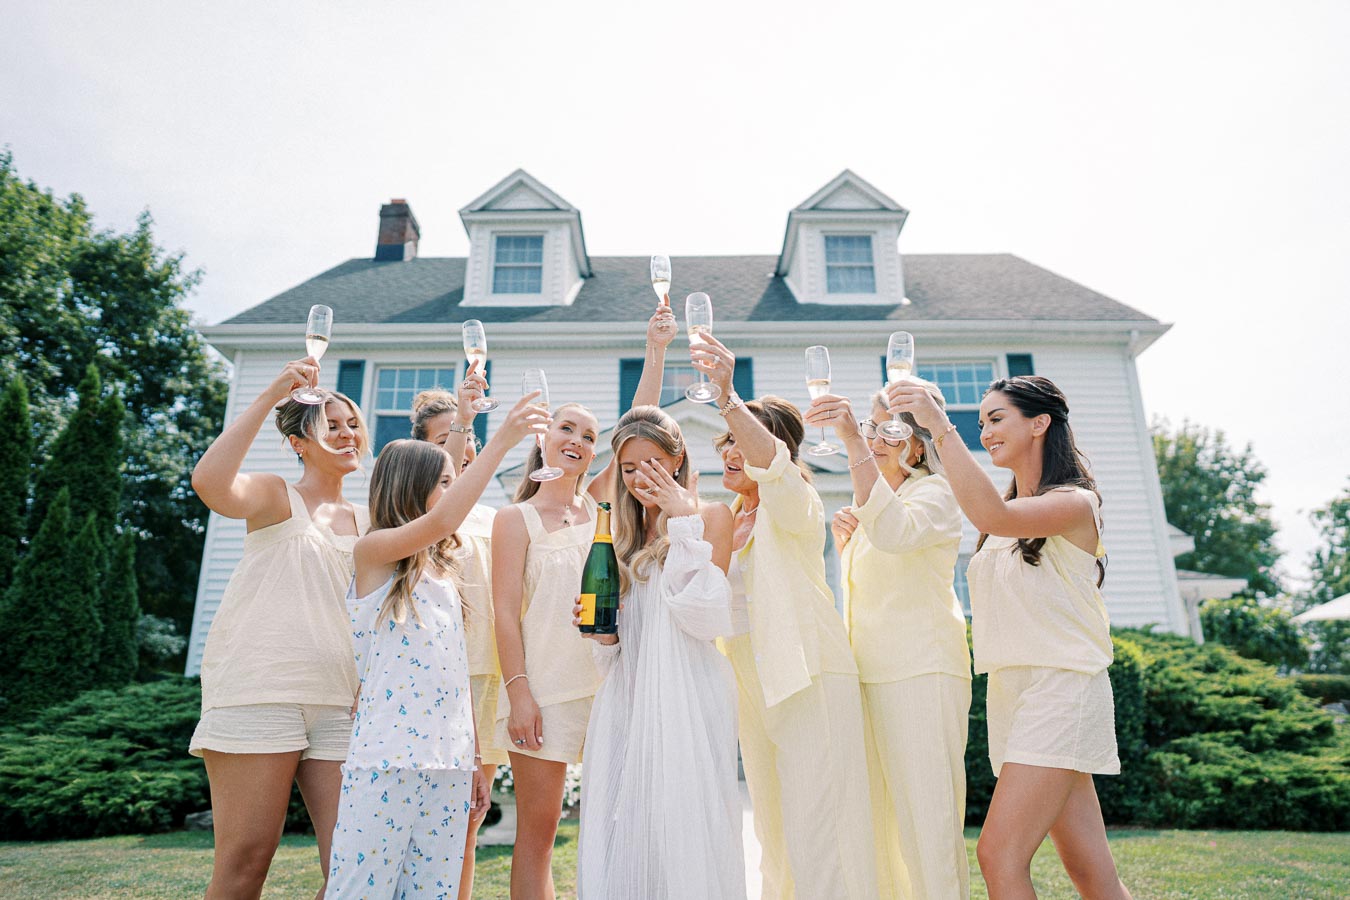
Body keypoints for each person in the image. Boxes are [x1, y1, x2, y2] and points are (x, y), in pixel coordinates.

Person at [890, 374, 1132, 900]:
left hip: (1061, 689)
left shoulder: (1074, 503)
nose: (985, 432)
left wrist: (938, 427)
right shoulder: (1003, 515)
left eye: (996, 419)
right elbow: (992, 517)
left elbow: (994, 516)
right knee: (1091, 871)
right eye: (980, 423)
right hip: (1012, 693)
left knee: (998, 853)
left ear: (1040, 423)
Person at [325, 392, 543, 898]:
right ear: (412, 487)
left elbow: (454, 676)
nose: (455, 492)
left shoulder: (444, 574)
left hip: (447, 765)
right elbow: (443, 522)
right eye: (446, 482)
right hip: (387, 762)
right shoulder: (373, 552)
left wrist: (470, 760)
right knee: (363, 890)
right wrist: (503, 437)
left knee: (436, 891)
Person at [492, 303, 676, 899]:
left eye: (589, 436)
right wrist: (518, 691)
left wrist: (656, 351)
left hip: (610, 688)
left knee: (617, 825)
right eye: (567, 429)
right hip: (542, 691)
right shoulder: (514, 519)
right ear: (545, 437)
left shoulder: (600, 506)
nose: (578, 440)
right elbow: (502, 613)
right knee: (539, 836)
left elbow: (637, 423)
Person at [689, 334, 878, 900]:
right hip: (748, 675)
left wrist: (727, 397)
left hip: (808, 671)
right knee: (772, 827)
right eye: (725, 440)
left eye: (740, 439)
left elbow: (771, 462)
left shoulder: (793, 495)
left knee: (821, 824)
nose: (729, 451)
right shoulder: (725, 517)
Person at [189, 357, 369, 899]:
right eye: (330, 424)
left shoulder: (369, 519)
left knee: (356, 868)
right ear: (298, 442)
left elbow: (438, 498)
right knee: (246, 861)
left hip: (343, 703)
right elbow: (209, 482)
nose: (346, 433)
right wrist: (272, 394)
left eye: (352, 424)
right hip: (260, 689)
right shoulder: (273, 496)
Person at [574, 405, 749, 899]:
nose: (638, 478)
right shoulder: (620, 538)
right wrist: (602, 632)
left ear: (677, 461)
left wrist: (682, 521)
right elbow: (614, 653)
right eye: (628, 469)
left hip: (688, 693)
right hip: (629, 697)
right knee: (625, 825)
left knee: (683, 822)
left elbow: (704, 616)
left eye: (651, 465)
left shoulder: (711, 517)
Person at [806, 384, 972, 899]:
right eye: (872, 427)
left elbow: (898, 535)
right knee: (879, 825)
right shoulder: (875, 504)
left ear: (918, 447)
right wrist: (845, 543)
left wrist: (853, 440)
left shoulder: (937, 494)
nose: (876, 437)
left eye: (889, 430)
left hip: (919, 671)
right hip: (869, 676)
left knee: (928, 820)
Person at [410, 372, 504, 900]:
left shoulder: (494, 517)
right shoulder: (413, 516)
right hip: (428, 682)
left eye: (466, 436)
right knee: (418, 816)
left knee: (468, 817)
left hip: (484, 678)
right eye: (447, 437)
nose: (462, 446)